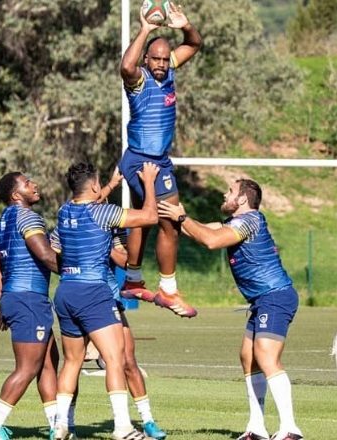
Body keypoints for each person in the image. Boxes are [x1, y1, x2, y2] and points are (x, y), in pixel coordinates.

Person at [157, 179, 303, 440]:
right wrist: (172, 217)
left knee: (266, 357)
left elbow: (211, 241)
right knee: (248, 358)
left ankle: (291, 429)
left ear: (244, 199)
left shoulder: (250, 221)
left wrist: (182, 216)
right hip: (262, 300)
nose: (225, 195)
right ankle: (256, 428)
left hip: (275, 296)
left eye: (230, 192)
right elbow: (201, 231)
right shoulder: (234, 224)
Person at [50, 162, 159, 440]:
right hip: (94, 292)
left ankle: (59, 424)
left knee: (72, 362)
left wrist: (110, 185)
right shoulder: (103, 213)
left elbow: (88, 201)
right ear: (95, 186)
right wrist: (148, 181)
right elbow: (149, 216)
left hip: (65, 292)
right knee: (114, 359)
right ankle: (123, 427)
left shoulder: (64, 212)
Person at [117, 1, 202, 318]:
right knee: (170, 220)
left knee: (146, 218)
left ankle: (133, 279)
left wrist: (185, 25)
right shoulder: (139, 80)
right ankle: (168, 289)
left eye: (166, 60)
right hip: (143, 160)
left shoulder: (169, 72)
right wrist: (145, 30)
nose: (162, 64)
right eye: (156, 59)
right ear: (146, 58)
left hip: (155, 159)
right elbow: (126, 67)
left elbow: (194, 43)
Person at [0, 173, 62, 440]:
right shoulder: (28, 217)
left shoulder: (1, 223)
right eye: (27, 183)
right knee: (27, 368)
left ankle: (56, 426)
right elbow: (47, 256)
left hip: (16, 298)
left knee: (49, 362)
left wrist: (2, 302)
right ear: (16, 195)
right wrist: (76, 270)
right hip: (29, 299)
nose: (34, 185)